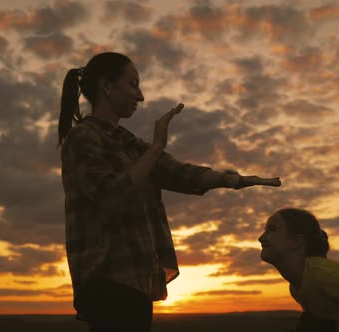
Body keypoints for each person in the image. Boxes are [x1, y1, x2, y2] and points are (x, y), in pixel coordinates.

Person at [58, 52, 281, 332]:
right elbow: (111, 196)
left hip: (135, 282)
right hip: (107, 281)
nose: (140, 96)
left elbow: (174, 172)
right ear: (107, 86)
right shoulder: (83, 138)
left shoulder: (125, 141)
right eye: (133, 84)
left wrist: (230, 180)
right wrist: (156, 147)